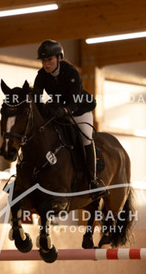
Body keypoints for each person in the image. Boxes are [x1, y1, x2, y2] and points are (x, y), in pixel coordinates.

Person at [32, 39, 107, 199]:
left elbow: (75, 99)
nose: (46, 64)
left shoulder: (71, 72)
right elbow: (37, 97)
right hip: (58, 110)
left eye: (49, 59)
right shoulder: (41, 75)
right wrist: (42, 110)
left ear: (59, 58)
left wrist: (66, 110)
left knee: (86, 138)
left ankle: (93, 181)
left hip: (79, 110)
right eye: (44, 61)